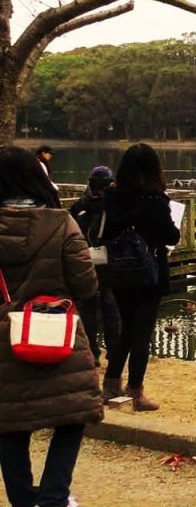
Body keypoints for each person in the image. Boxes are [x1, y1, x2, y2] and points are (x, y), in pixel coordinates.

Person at [0, 146, 102, 507]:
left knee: (9, 424)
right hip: (56, 337)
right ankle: (55, 496)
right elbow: (87, 285)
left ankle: (24, 500)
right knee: (71, 416)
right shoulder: (61, 223)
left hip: (3, 347)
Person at [103, 143, 181, 411]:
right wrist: (153, 210)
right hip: (149, 272)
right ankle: (135, 392)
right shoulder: (156, 201)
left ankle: (111, 384)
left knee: (127, 327)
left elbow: (108, 231)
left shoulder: (112, 196)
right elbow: (172, 236)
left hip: (120, 269)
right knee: (142, 334)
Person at [70, 165, 121, 365]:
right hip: (108, 260)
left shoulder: (80, 205)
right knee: (109, 303)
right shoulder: (115, 206)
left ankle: (92, 351)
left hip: (83, 259)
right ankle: (113, 349)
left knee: (87, 305)